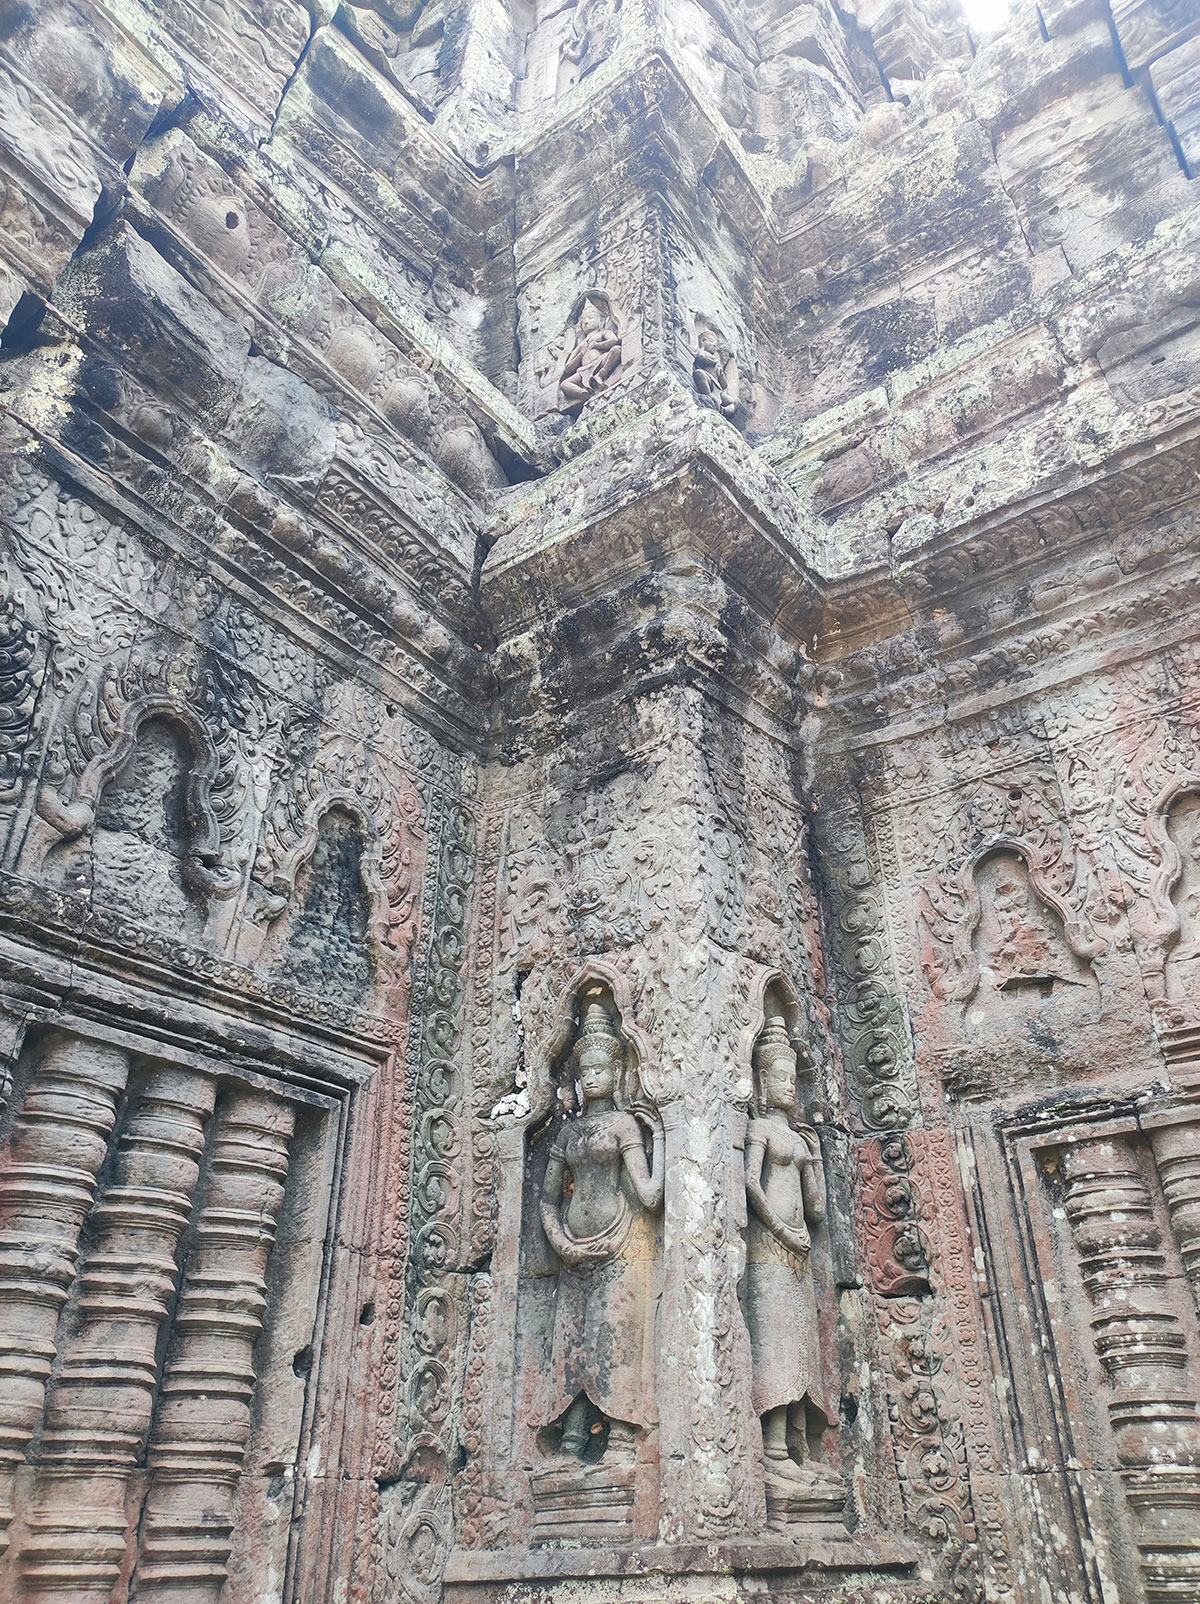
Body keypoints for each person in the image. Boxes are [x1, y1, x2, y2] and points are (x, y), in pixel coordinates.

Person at [539, 990, 663, 1459]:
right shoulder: (569, 1132)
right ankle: (570, 1441)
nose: (592, 1077)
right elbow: (548, 1199)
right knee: (571, 1346)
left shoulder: (624, 1126)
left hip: (620, 1244)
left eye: (600, 1069)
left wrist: (663, 1138)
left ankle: (622, 1440)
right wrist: (561, 1242)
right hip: (574, 1251)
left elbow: (650, 1195)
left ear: (617, 1073)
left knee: (615, 1339)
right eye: (585, 1070)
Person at [743, 999, 836, 1485]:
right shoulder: (758, 1130)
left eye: (791, 1076)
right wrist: (781, 1230)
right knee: (775, 1346)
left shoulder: (798, 1141)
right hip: (769, 1250)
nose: (786, 1085)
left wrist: (815, 1156)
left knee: (801, 1350)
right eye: (778, 1075)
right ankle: (773, 1450)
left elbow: (817, 1209)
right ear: (760, 1080)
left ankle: (796, 1446)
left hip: (796, 1253)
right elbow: (750, 1185)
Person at [558, 299, 622, 412]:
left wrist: (598, 345)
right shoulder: (581, 344)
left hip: (600, 361)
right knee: (564, 384)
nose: (586, 322)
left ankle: (601, 375)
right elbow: (568, 368)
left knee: (616, 350)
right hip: (584, 370)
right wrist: (580, 354)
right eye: (583, 321)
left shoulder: (602, 333)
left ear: (600, 320)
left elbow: (614, 340)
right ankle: (582, 393)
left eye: (590, 317)